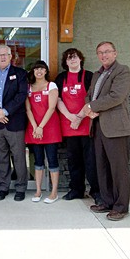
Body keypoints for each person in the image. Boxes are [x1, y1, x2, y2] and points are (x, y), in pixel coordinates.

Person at [83, 41, 130, 221]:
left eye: (107, 52)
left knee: (118, 169)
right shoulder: (97, 74)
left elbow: (116, 96)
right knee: (102, 166)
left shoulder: (122, 71)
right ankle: (107, 201)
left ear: (115, 53)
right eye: (100, 53)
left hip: (115, 127)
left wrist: (92, 106)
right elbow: (89, 94)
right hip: (97, 126)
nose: (104, 55)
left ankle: (121, 207)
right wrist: (89, 106)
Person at [0, 44, 28, 201]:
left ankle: (21, 188)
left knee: (19, 157)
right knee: (0, 157)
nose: (2, 57)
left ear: (11, 56)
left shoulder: (20, 74)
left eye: (5, 54)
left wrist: (5, 111)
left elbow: (21, 96)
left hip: (14, 122)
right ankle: (3, 187)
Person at [55, 48, 100, 204]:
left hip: (86, 126)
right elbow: (58, 100)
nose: (72, 60)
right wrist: (70, 117)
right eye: (68, 58)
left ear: (81, 59)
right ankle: (76, 190)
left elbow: (93, 99)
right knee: (74, 161)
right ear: (65, 62)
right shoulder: (61, 78)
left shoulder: (89, 76)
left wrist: (79, 118)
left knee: (91, 161)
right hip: (69, 127)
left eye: (74, 57)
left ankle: (96, 191)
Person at [25, 60, 61, 204]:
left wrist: (41, 127)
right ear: (33, 72)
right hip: (35, 130)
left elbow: (51, 108)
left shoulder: (51, 85)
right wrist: (35, 127)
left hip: (50, 128)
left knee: (52, 161)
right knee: (38, 162)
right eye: (36, 69)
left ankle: (54, 192)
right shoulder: (28, 87)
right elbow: (28, 109)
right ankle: (38, 190)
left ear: (46, 71)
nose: (39, 72)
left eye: (42, 69)